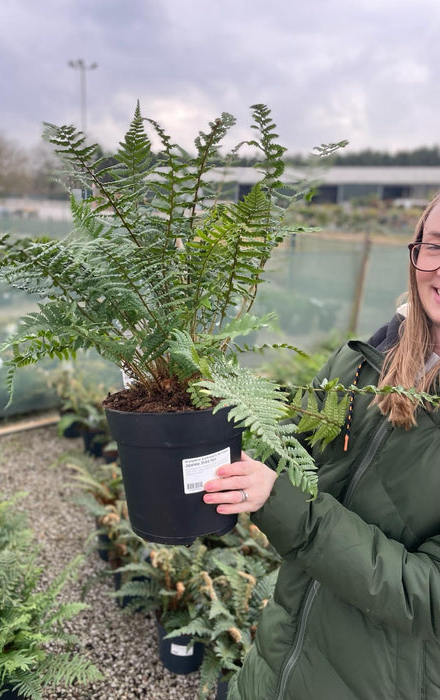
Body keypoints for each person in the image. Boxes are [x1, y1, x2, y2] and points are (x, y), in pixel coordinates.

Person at [203, 192, 440, 700]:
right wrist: (204, 412)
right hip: (277, 661)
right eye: (436, 245)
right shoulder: (362, 363)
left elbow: (429, 596)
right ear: (416, 252)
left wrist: (287, 507)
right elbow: (288, 454)